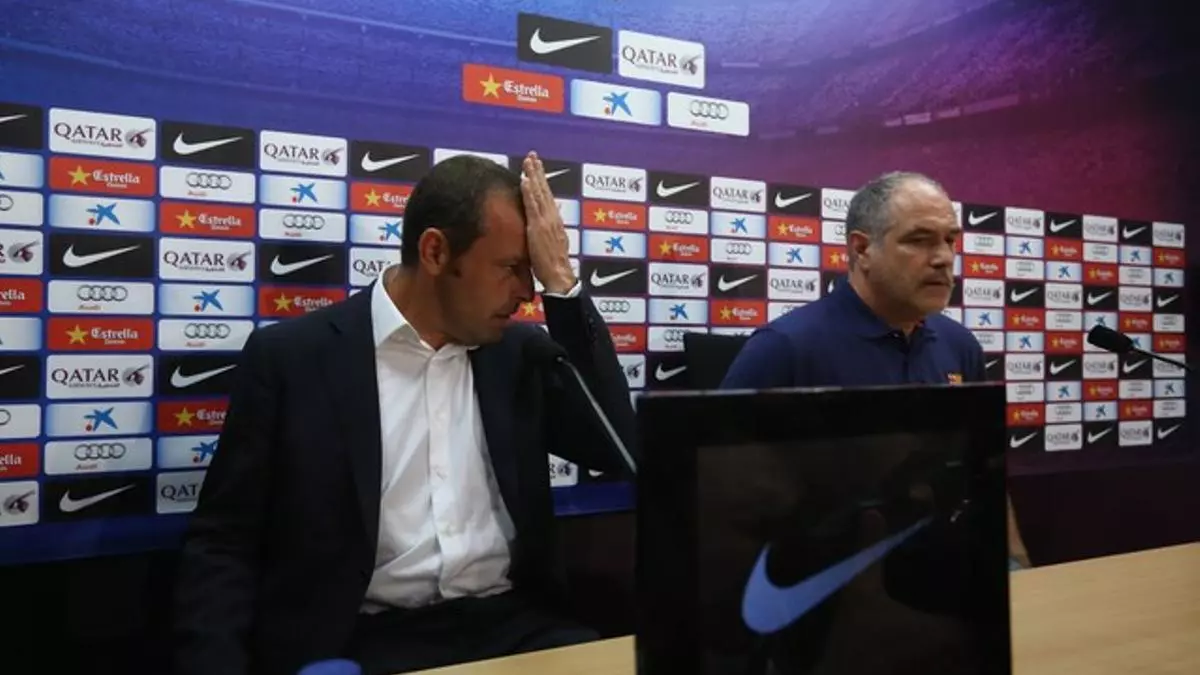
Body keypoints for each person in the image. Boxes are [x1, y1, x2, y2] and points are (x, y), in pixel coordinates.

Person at [171, 152, 636, 675]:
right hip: (362, 639)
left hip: (514, 626)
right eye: (511, 268)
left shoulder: (519, 355)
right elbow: (224, 542)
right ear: (435, 251)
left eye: (532, 272)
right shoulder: (293, 360)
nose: (526, 294)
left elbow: (615, 445)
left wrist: (563, 287)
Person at [720, 170, 1031, 569]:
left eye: (950, 240)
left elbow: (984, 470)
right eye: (919, 240)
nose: (943, 258)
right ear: (862, 248)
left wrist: (1015, 561)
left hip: (946, 572)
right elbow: (722, 493)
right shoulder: (784, 348)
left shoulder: (960, 345)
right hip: (827, 582)